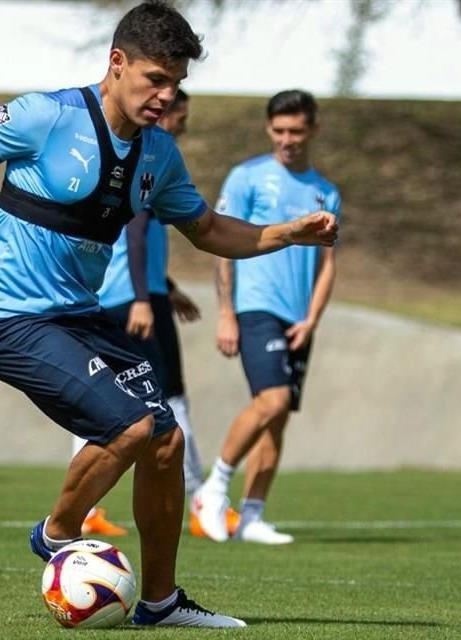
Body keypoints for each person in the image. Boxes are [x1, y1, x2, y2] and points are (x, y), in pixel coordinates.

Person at [0, 1, 336, 628]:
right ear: (117, 63)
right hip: (9, 318)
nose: (166, 95)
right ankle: (56, 534)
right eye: (155, 79)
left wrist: (286, 234)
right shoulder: (46, 116)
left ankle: (160, 603)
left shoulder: (158, 156)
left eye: (176, 83)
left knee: (165, 441)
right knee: (133, 427)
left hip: (79, 319)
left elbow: (210, 229)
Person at [77, 89, 239, 538]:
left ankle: (89, 508)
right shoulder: (148, 159)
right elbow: (134, 229)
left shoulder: (139, 158)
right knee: (169, 396)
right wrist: (146, 299)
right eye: (179, 117)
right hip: (133, 301)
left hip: (127, 295)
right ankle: (199, 502)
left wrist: (166, 287)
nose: (181, 125)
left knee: (102, 400)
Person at [193, 90, 340, 545]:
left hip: (297, 318)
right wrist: (225, 313)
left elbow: (328, 262)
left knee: (277, 421)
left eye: (296, 131)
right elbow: (221, 244)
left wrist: (313, 318)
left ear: (312, 129)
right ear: (268, 129)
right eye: (279, 131)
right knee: (271, 401)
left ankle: (252, 516)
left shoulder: (326, 191)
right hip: (256, 307)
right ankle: (213, 489)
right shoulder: (247, 177)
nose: (287, 140)